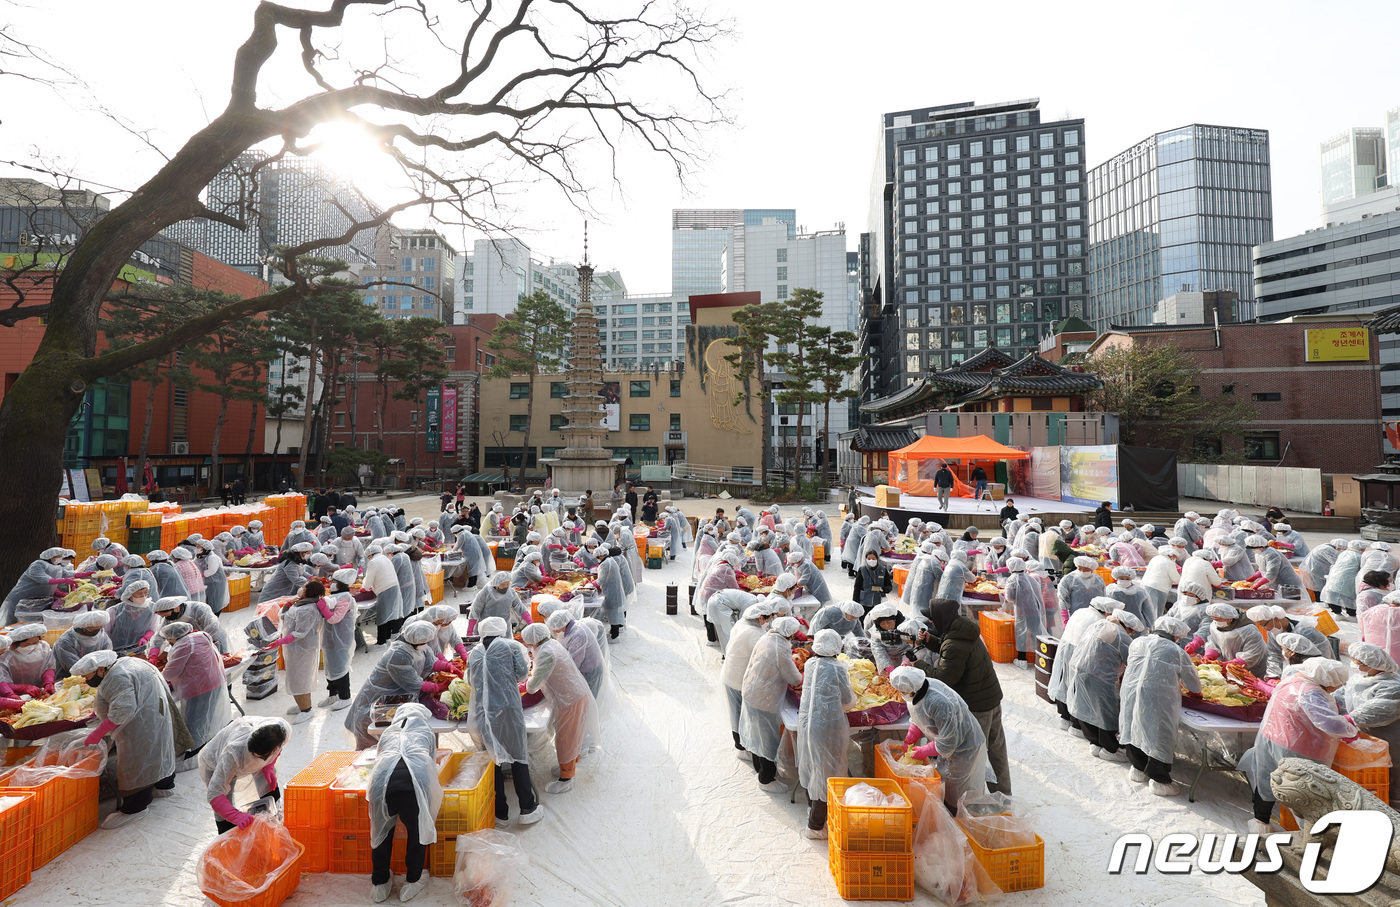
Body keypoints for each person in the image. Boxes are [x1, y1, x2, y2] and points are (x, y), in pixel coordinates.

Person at [1239, 658, 1355, 834]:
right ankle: (1314, 836)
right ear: (1325, 680)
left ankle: (1260, 822)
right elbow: (1330, 724)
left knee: (1266, 780)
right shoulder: (1312, 693)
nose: (1338, 687)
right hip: (1297, 748)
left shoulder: (1293, 680)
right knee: (1304, 794)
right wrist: (1349, 724)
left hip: (1270, 738)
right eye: (1337, 684)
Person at [77, 649, 189, 828]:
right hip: (155, 714)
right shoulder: (128, 663)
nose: (86, 680)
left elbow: (122, 711)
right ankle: (164, 785)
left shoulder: (116, 677)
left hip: (140, 723)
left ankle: (135, 807)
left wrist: (97, 733)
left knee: (137, 762)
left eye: (87, 675)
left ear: (100, 669)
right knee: (160, 749)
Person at [916, 598, 1010, 795]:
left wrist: (918, 665)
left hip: (977, 706)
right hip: (991, 698)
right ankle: (1002, 794)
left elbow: (944, 677)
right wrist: (929, 641)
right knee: (996, 748)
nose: (931, 624)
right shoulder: (963, 631)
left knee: (973, 756)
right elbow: (952, 651)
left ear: (941, 619)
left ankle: (973, 799)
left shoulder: (955, 644)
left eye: (932, 620)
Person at [467, 617, 543, 827]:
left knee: (493, 761)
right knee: (518, 756)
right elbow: (521, 674)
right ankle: (527, 807)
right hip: (508, 710)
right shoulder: (510, 646)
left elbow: (468, 680)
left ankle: (500, 813)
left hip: (483, 714)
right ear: (502, 629)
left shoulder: (474, 653)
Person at [367, 703, 443, 903]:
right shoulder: (425, 731)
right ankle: (413, 880)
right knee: (417, 832)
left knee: (381, 833)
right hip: (412, 786)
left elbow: (379, 759)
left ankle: (380, 883)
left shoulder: (389, 731)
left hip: (381, 786)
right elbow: (431, 765)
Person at [1118, 616, 1201, 796]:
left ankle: (1138, 768)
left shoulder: (1137, 642)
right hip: (1159, 698)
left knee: (1134, 724)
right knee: (1159, 733)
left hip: (1131, 691)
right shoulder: (1176, 651)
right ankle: (1159, 779)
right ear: (1175, 635)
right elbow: (1194, 686)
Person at [889, 665, 988, 808]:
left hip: (965, 748)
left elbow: (948, 743)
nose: (900, 693)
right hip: (949, 746)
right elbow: (921, 717)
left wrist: (924, 751)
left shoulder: (938, 702)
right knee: (946, 784)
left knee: (959, 794)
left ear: (911, 690)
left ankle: (959, 821)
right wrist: (911, 736)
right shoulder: (917, 691)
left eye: (902, 691)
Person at [521, 623, 596, 794]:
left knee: (565, 739)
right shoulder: (550, 643)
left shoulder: (546, 653)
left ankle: (566, 778)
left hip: (571, 699)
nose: (528, 646)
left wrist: (520, 685)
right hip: (573, 694)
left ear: (532, 641)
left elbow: (533, 685)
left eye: (528, 643)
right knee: (571, 735)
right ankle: (567, 765)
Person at [795, 629, 855, 838]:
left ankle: (812, 808)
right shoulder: (837, 669)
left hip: (807, 723)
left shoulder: (811, 664)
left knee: (811, 766)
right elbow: (848, 700)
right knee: (826, 773)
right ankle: (816, 826)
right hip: (827, 726)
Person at [345, 622, 438, 750]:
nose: (426, 645)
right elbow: (413, 682)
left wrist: (447, 666)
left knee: (393, 748)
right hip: (374, 708)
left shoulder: (417, 646)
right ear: (413, 641)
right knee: (372, 753)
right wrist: (436, 688)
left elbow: (430, 664)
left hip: (394, 704)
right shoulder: (398, 654)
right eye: (423, 643)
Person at [1067, 607, 1142, 761]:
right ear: (1126, 626)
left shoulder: (1098, 624)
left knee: (1086, 706)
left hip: (1079, 668)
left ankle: (1094, 742)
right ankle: (1109, 749)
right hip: (1100, 676)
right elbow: (1132, 661)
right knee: (1105, 711)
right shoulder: (1122, 636)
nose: (1132, 634)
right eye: (1132, 631)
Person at [741, 615, 803, 791]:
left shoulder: (767, 636)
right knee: (768, 740)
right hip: (764, 699)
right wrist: (804, 675)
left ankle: (759, 769)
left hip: (751, 690)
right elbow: (794, 678)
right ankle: (766, 780)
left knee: (756, 735)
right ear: (790, 634)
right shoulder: (781, 648)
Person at [1335, 642, 1400, 805]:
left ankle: (1395, 805)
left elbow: (1378, 710)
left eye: (1357, 662)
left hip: (1391, 737)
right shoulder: (1360, 678)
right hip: (1368, 736)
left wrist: (1349, 720)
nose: (1353, 665)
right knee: (1376, 772)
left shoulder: (1392, 687)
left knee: (1394, 771)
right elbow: (1344, 695)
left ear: (1371, 664)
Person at [200, 717, 290, 833]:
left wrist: (268, 766)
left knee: (268, 788)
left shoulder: (281, 731)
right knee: (224, 810)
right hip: (214, 761)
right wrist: (235, 816)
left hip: (257, 751)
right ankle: (227, 836)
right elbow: (215, 793)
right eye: (254, 756)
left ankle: (275, 826)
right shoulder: (232, 754)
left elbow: (278, 749)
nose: (256, 761)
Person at [159, 622, 231, 758]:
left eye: (169, 639)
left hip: (199, 688)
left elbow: (169, 673)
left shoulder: (183, 646)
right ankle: (208, 743)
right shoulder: (202, 635)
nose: (169, 642)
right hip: (215, 680)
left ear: (174, 636)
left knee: (194, 721)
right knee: (207, 717)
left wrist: (157, 676)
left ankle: (195, 752)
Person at [1049, 596, 1120, 730]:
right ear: (1106, 612)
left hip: (1065, 647)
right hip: (1079, 652)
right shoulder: (1099, 621)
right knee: (1077, 688)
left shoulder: (1080, 611)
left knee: (1063, 681)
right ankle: (1076, 724)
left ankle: (1064, 718)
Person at [264, 580, 326, 724]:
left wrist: (280, 641)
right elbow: (283, 616)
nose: (301, 589)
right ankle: (302, 705)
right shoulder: (300, 604)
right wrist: (289, 603)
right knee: (295, 677)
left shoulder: (308, 609)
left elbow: (300, 634)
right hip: (293, 648)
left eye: (304, 588)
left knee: (301, 679)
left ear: (309, 592)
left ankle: (307, 710)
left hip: (303, 648)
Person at [316, 568, 358, 709]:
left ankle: (345, 697)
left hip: (341, 638)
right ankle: (332, 695)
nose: (332, 584)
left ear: (340, 584)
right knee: (330, 666)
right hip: (330, 637)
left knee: (340, 667)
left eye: (334, 582)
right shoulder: (336, 595)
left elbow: (335, 619)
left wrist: (323, 608)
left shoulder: (345, 598)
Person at [1191, 603, 1269, 678]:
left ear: (1230, 618)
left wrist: (1231, 664)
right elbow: (1214, 643)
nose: (1216, 622)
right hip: (1231, 669)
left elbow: (1252, 655)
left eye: (1219, 620)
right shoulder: (1214, 626)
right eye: (1214, 619)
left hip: (1253, 668)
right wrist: (1209, 655)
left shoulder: (1249, 630)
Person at [1000, 557, 1044, 661]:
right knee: (1035, 634)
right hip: (1035, 611)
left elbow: (1010, 597)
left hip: (1021, 611)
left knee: (1021, 633)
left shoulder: (1012, 579)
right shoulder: (1030, 578)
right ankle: (1039, 658)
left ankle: (1022, 659)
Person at [55, 609, 112, 679]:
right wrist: (93, 671)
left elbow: (107, 654)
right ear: (83, 627)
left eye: (99, 628)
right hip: (70, 678)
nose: (97, 631)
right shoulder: (65, 641)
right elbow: (74, 667)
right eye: (92, 629)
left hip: (96, 675)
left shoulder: (102, 635)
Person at [109, 581, 161, 654]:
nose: (143, 595)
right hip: (116, 649)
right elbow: (106, 631)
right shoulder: (116, 610)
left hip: (140, 648)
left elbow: (154, 628)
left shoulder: (152, 609)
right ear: (130, 595)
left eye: (145, 592)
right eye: (139, 593)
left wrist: (146, 637)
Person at [4, 623, 55, 693]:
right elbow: (3, 683)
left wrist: (48, 681)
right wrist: (23, 688)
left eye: (35, 643)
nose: (32, 647)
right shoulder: (6, 656)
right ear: (14, 643)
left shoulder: (43, 647)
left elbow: (49, 666)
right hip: (15, 694)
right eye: (27, 644)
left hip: (40, 690)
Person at [1321, 540, 1366, 616]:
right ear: (1360, 548)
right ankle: (1351, 614)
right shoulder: (1359, 557)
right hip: (1348, 580)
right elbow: (1363, 569)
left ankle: (1337, 613)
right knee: (1349, 597)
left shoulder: (1343, 553)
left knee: (1334, 596)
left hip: (1334, 577)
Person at [1057, 556, 1106, 623]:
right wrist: (1065, 617)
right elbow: (1063, 599)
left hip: (1096, 617)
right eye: (1079, 568)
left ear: (1092, 569)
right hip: (1075, 617)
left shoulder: (1098, 580)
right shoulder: (1069, 579)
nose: (1082, 571)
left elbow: (1103, 598)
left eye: (1086, 569)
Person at [597, 546, 628, 641]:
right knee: (615, 613)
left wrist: (591, 583)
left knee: (613, 614)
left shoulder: (606, 564)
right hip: (614, 589)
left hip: (612, 591)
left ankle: (615, 637)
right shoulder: (610, 560)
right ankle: (614, 632)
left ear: (601, 555)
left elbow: (601, 580)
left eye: (597, 557)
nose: (597, 560)